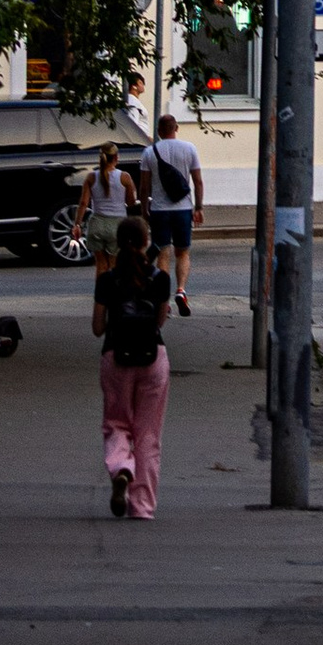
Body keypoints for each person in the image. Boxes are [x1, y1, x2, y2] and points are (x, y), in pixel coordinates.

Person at [93, 212, 171, 520]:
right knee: (148, 435)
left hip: (115, 357)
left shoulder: (107, 280)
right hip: (153, 359)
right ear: (146, 242)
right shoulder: (160, 278)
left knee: (116, 423)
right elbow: (160, 321)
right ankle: (142, 507)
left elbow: (98, 327)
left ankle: (122, 468)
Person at [143, 103, 202, 315]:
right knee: (183, 252)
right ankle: (181, 290)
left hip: (159, 210)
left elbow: (144, 186)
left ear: (158, 131)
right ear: (176, 128)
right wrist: (199, 207)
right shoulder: (189, 149)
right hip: (183, 208)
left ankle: (163, 299)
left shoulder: (149, 152)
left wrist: (145, 212)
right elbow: (197, 181)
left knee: (163, 253)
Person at [76, 138, 134, 266]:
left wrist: (77, 224)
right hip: (117, 224)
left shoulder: (91, 177)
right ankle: (113, 286)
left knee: (100, 264)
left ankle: (101, 286)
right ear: (116, 157)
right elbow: (131, 202)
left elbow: (83, 203)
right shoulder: (124, 177)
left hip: (97, 223)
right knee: (114, 264)